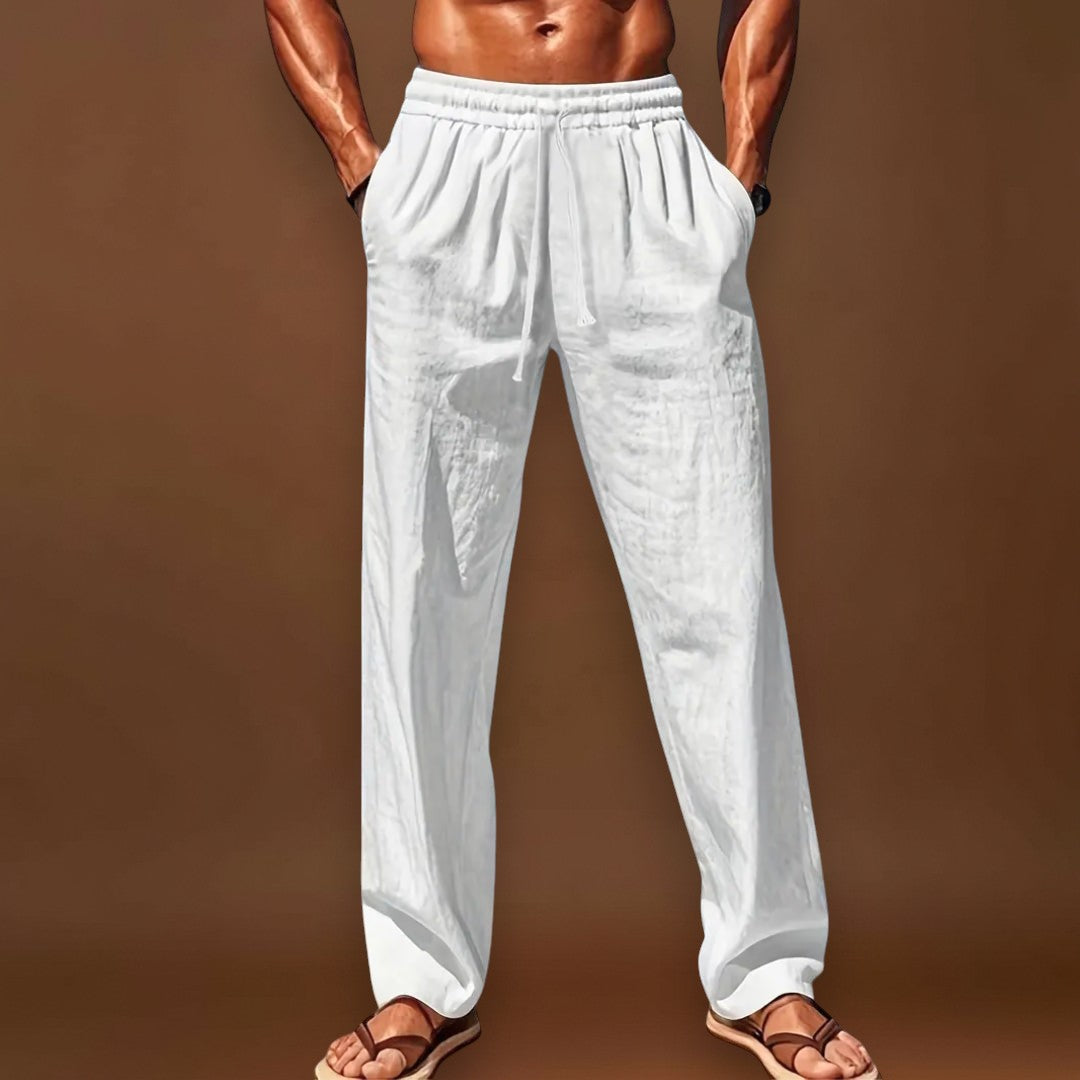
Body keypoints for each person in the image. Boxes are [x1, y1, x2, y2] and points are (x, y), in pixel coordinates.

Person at [263, 2, 880, 1078]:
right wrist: (366, 166)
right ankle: (420, 979)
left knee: (720, 586)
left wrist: (737, 181)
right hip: (454, 158)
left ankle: (767, 970)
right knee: (421, 593)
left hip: (641, 157)